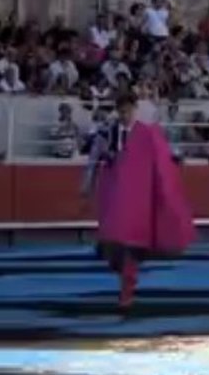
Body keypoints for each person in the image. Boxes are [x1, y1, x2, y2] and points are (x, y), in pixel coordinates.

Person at [81, 91, 196, 310]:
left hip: (138, 200)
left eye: (128, 110)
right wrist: (86, 185)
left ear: (135, 109)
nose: (125, 115)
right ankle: (126, 284)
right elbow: (94, 158)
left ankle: (127, 291)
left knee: (130, 247)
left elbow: (163, 156)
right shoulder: (108, 133)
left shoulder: (146, 133)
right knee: (116, 248)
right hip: (114, 197)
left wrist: (175, 161)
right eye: (121, 111)